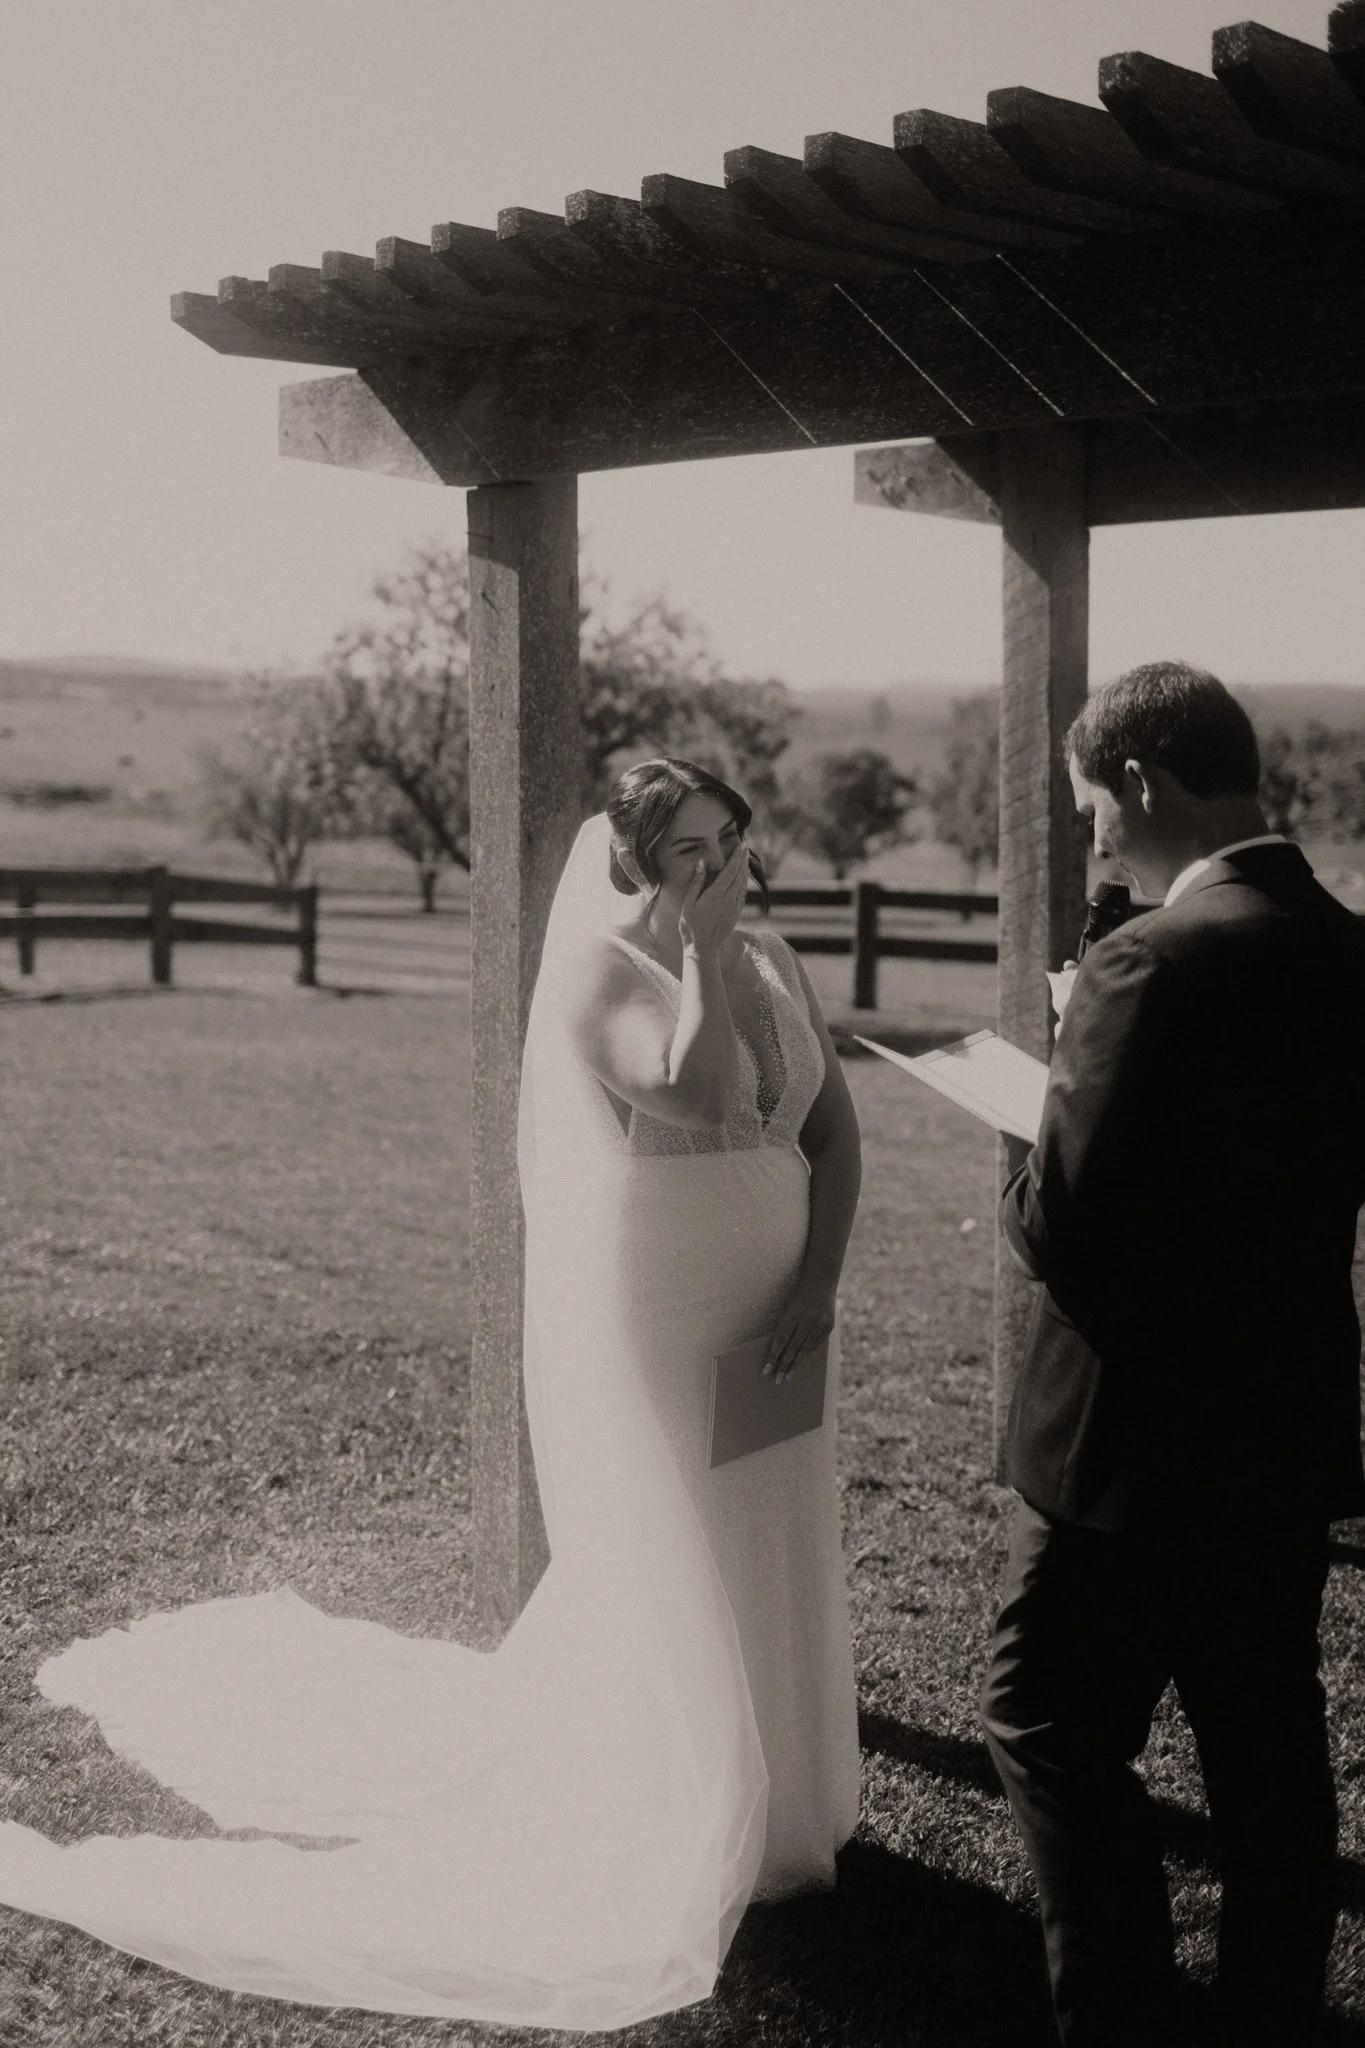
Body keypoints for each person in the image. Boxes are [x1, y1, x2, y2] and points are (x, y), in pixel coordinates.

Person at [0, 758, 861, 2030]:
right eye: (688, 847)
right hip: (667, 1309)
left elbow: (831, 1134)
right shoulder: (601, 972)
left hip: (782, 1317)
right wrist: (699, 944)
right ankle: (667, 1790)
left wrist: (819, 1288)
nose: (719, 862)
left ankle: (790, 1794)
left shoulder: (778, 958)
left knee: (773, 1527)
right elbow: (688, 1086)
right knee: (680, 1540)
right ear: (634, 862)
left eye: (729, 836)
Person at [980, 661, 1365, 2048]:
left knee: (1044, 1726)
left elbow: (1064, 1230)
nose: (1095, 840)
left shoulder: (1146, 965)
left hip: (1126, 1454)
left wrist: (1037, 1103)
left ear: (1141, 783)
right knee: (1264, 1749)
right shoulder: (1349, 949)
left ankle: (1121, 2016)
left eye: (1093, 814)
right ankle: (1269, 2012)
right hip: (1278, 1428)